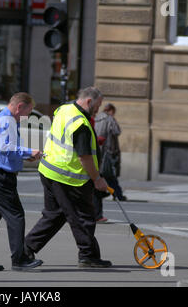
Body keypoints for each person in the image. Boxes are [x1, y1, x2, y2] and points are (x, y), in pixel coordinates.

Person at [23, 86, 113, 268]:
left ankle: (25, 249)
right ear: (89, 101)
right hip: (68, 177)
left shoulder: (64, 109)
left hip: (49, 170)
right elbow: (84, 157)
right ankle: (88, 255)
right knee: (83, 217)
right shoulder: (80, 124)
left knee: (55, 215)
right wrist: (97, 179)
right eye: (98, 105)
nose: (98, 109)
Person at [0, 92, 44, 272]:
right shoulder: (7, 120)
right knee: (16, 215)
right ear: (19, 107)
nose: (27, 117)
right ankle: (19, 259)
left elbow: (3, 149)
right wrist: (28, 152)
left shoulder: (2, 119)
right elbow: (4, 147)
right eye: (28, 112)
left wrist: (23, 157)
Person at [95, 103, 127, 202]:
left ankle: (106, 193)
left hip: (97, 150)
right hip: (108, 151)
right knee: (110, 175)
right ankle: (117, 194)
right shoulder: (109, 119)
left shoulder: (96, 119)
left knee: (101, 174)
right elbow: (117, 131)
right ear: (111, 111)